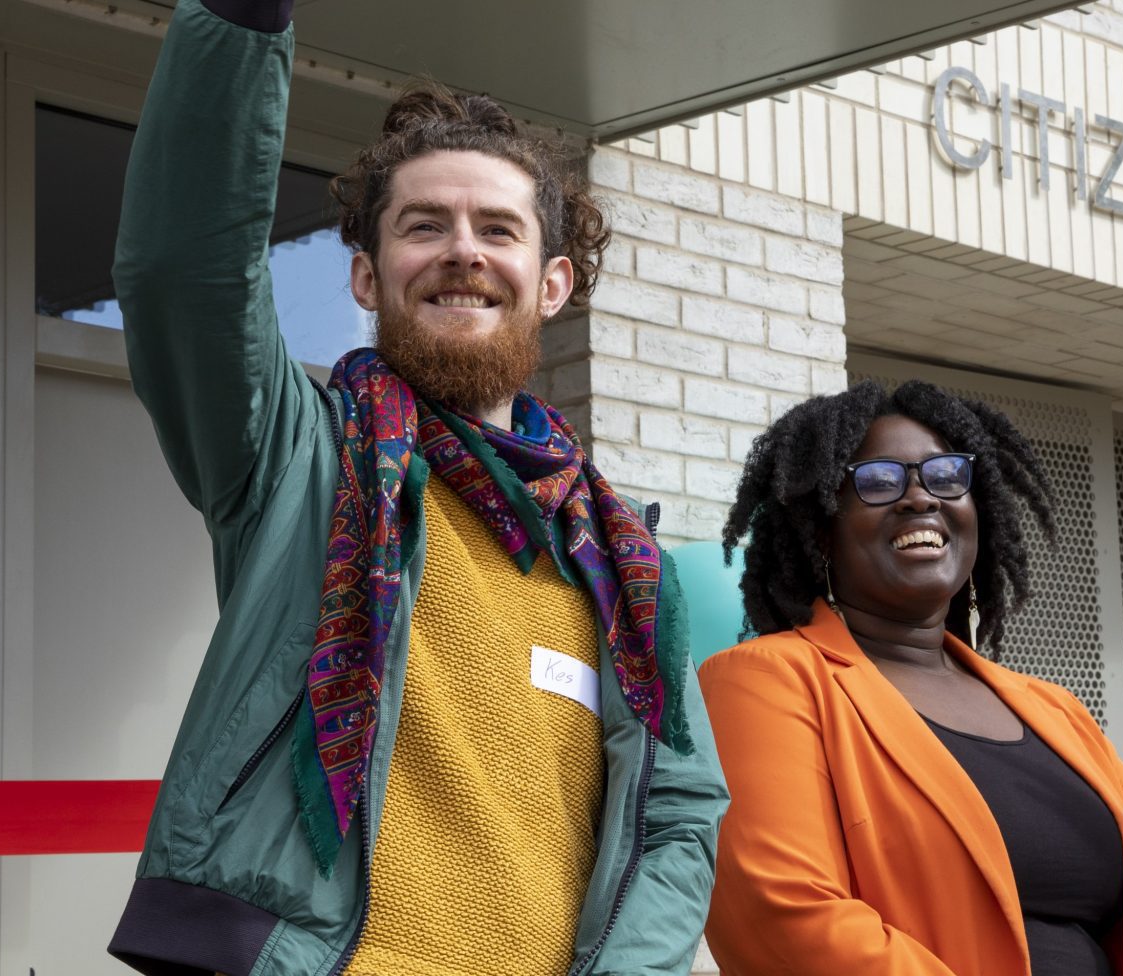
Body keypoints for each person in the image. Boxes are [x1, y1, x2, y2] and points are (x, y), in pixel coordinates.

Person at [102, 2, 726, 973]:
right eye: (422, 225)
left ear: (552, 282)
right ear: (365, 275)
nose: (462, 251)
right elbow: (186, 274)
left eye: (496, 228)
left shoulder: (620, 561)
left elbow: (679, 813)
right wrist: (241, 21)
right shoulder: (301, 465)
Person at [698, 380, 1123, 975]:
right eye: (879, 481)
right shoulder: (766, 682)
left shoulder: (1055, 713)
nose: (919, 498)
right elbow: (787, 916)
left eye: (946, 476)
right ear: (824, 527)